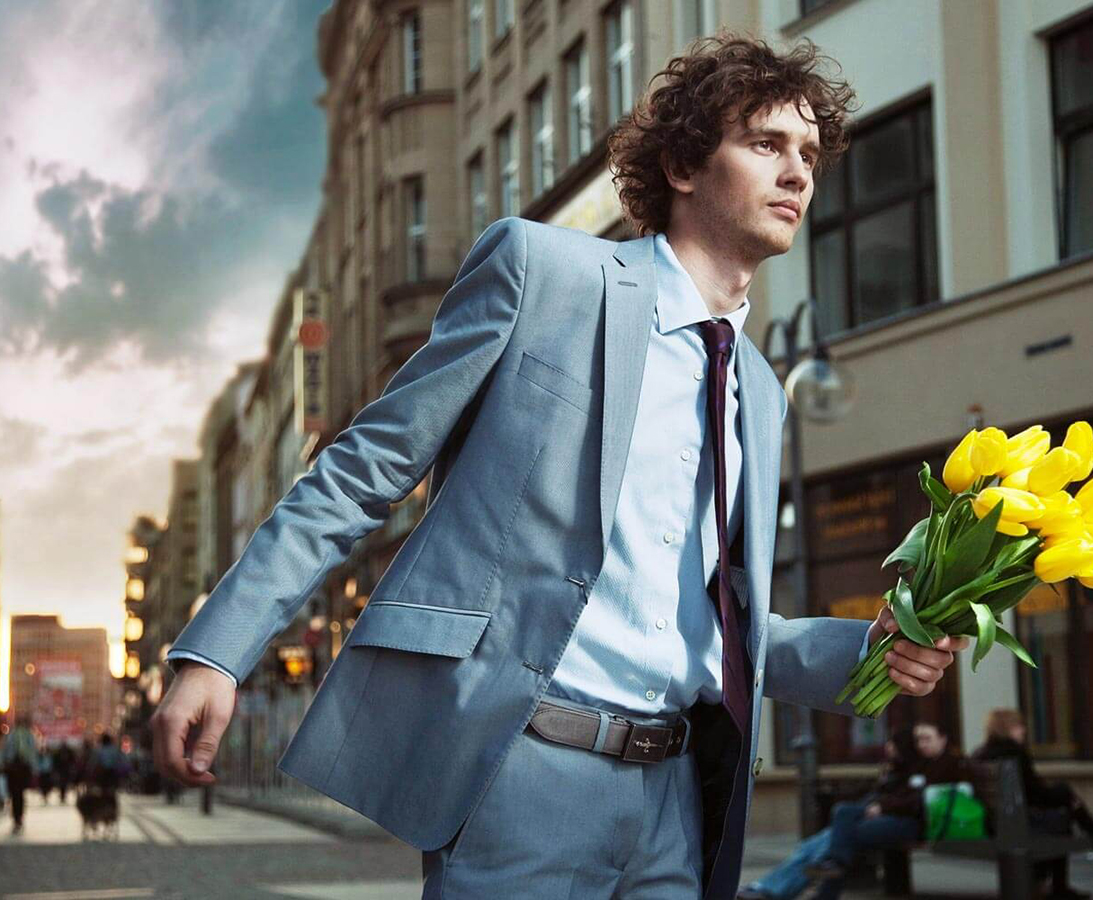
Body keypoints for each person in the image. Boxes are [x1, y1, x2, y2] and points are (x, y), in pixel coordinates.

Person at [151, 33, 967, 898]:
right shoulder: (543, 272)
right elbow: (364, 468)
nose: (798, 172)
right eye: (766, 145)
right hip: (523, 779)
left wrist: (869, 650)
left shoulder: (758, 392)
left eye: (808, 153)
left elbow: (706, 624)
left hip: (675, 806)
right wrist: (217, 652)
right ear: (685, 165)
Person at [736, 726, 920, 900]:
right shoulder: (894, 768)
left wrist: (881, 807)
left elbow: (910, 801)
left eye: (892, 742)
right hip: (872, 820)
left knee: (831, 848)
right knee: (813, 847)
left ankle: (772, 890)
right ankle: (768, 888)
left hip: (889, 823)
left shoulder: (915, 770)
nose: (888, 746)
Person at [802, 722, 975, 900]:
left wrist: (884, 807)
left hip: (920, 823)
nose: (922, 744)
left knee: (851, 835)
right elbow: (902, 793)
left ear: (942, 739)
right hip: (899, 816)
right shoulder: (922, 763)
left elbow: (921, 801)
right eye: (919, 739)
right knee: (844, 812)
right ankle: (833, 868)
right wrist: (882, 805)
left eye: (927, 739)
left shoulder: (950, 765)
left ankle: (829, 883)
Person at [973, 708, 1093, 900]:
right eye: (1018, 726)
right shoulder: (1014, 753)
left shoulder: (979, 754)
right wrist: (1063, 797)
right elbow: (1036, 793)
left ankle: (1044, 880)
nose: (1023, 731)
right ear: (1006, 728)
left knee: (1060, 807)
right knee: (1062, 814)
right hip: (1020, 823)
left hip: (995, 823)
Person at [1, 715, 40, 835]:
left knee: (17, 795)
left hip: (18, 769)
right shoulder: (24, 735)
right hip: (17, 769)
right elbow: (32, 752)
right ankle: (18, 818)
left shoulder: (16, 735)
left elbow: (6, 751)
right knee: (17, 795)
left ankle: (18, 818)